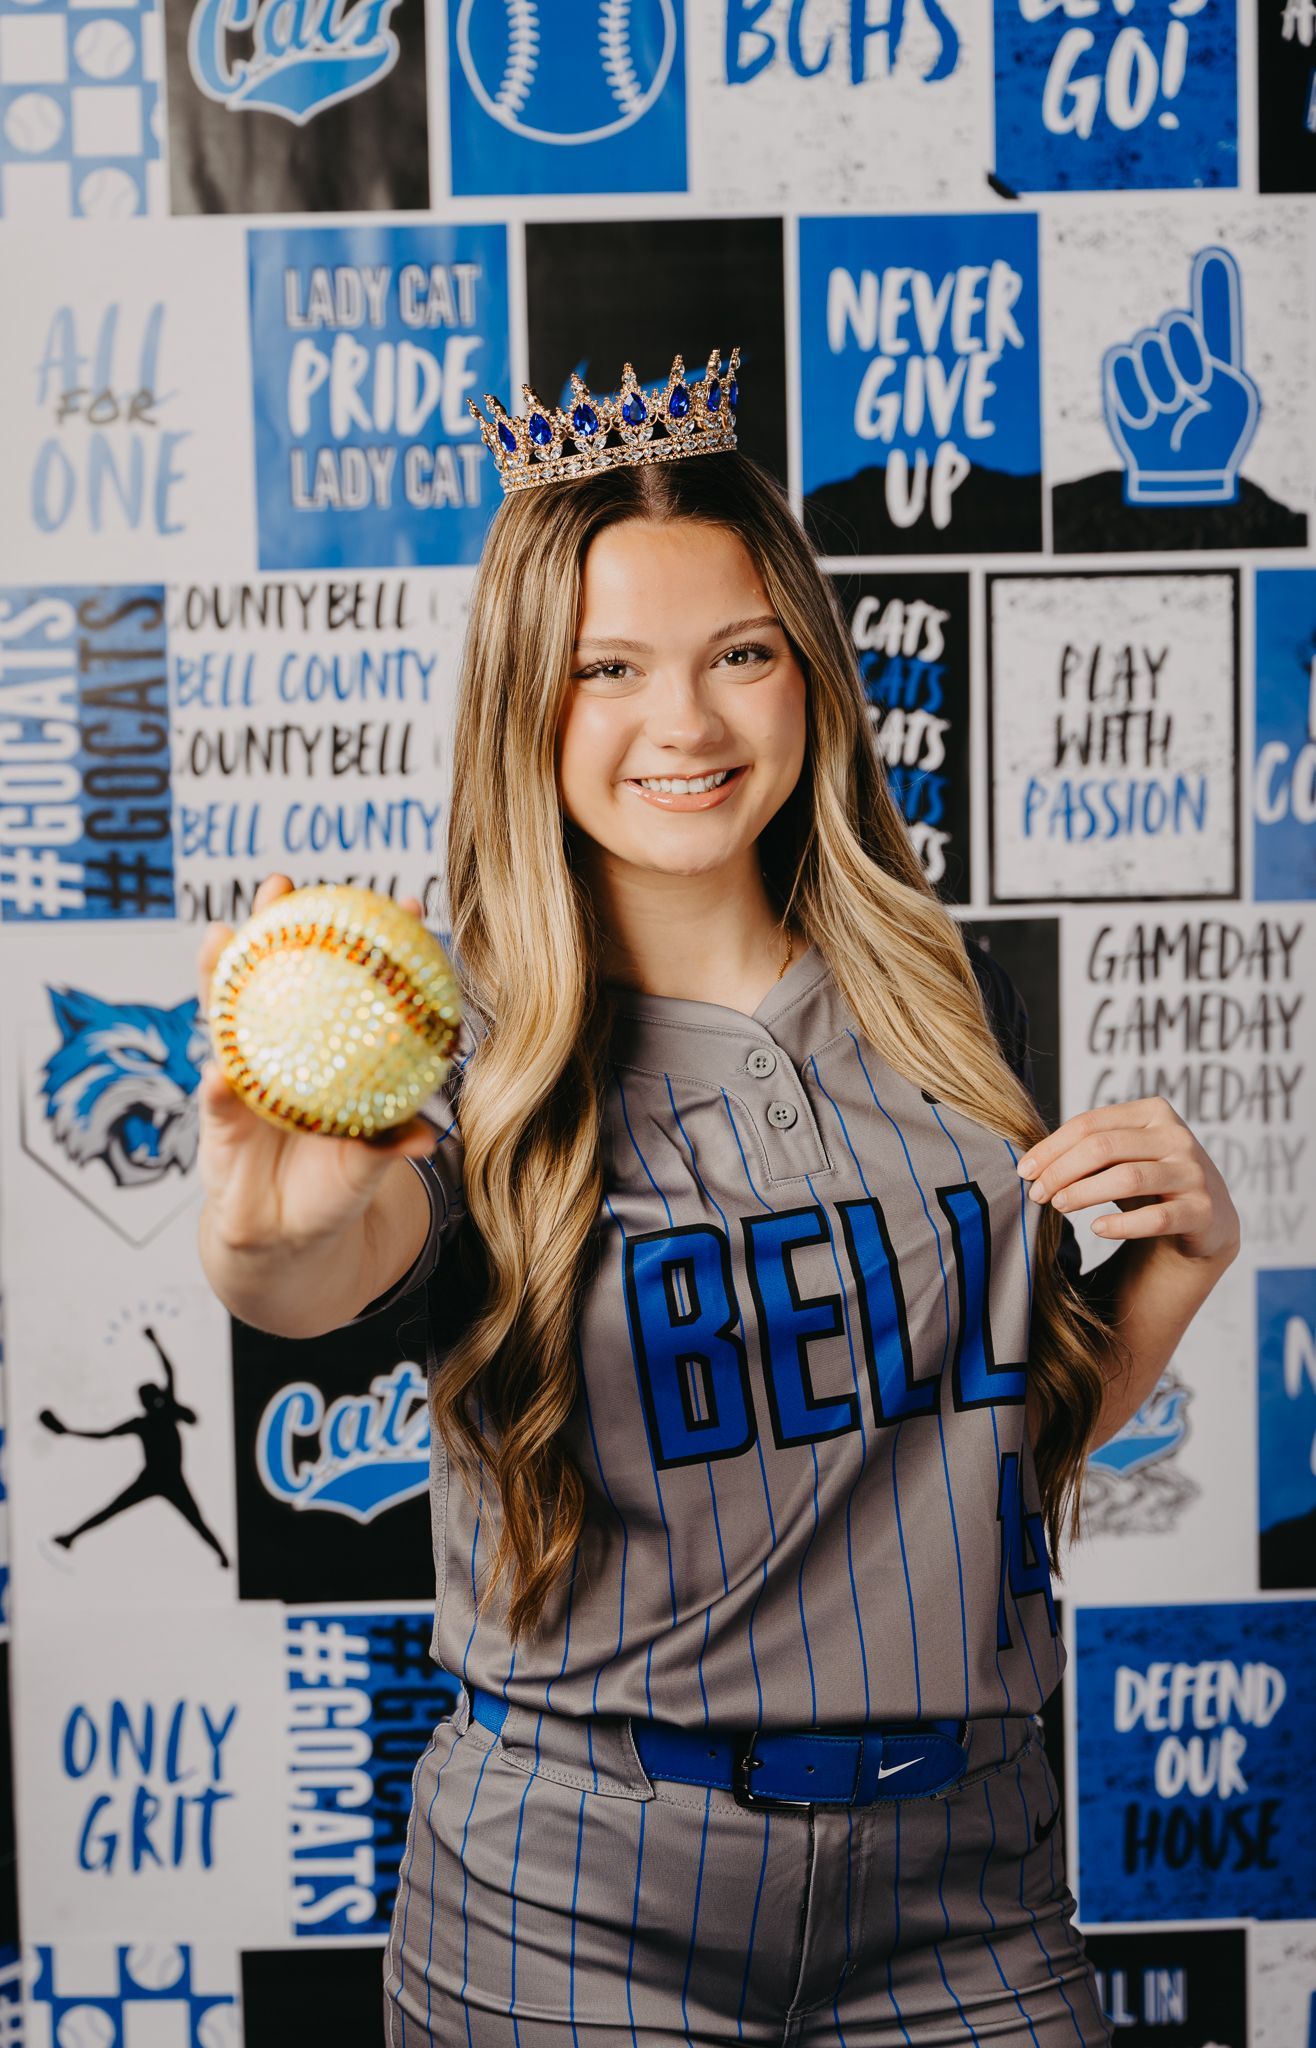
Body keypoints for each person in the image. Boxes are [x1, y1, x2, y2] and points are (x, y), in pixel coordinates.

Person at [195, 350, 1240, 2046]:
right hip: (577, 1892)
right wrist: (263, 1229)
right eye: (609, 668)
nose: (683, 725)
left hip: (968, 1875)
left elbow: (959, 1456)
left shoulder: (951, 994)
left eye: (738, 654)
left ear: (809, 674)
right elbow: (319, 1278)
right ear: (529, 699)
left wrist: (1178, 1276)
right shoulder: (458, 1050)